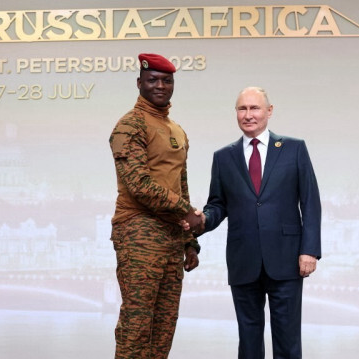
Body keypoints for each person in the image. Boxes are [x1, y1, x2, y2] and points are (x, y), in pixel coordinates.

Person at [187, 86, 321, 358]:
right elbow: (218, 205)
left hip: (286, 260)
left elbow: (310, 202)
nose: (248, 115)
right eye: (242, 109)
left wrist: (309, 250)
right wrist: (202, 220)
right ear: (236, 113)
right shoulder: (223, 157)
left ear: (269, 111)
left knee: (287, 340)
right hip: (243, 259)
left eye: (255, 108)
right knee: (248, 341)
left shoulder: (294, 149)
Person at [108, 53, 203, 359]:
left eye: (167, 80)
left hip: (171, 237)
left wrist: (190, 241)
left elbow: (180, 183)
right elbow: (138, 184)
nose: (160, 86)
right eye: (153, 80)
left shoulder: (177, 129)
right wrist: (185, 210)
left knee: (164, 327)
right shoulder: (129, 125)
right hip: (138, 232)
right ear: (140, 83)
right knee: (136, 326)